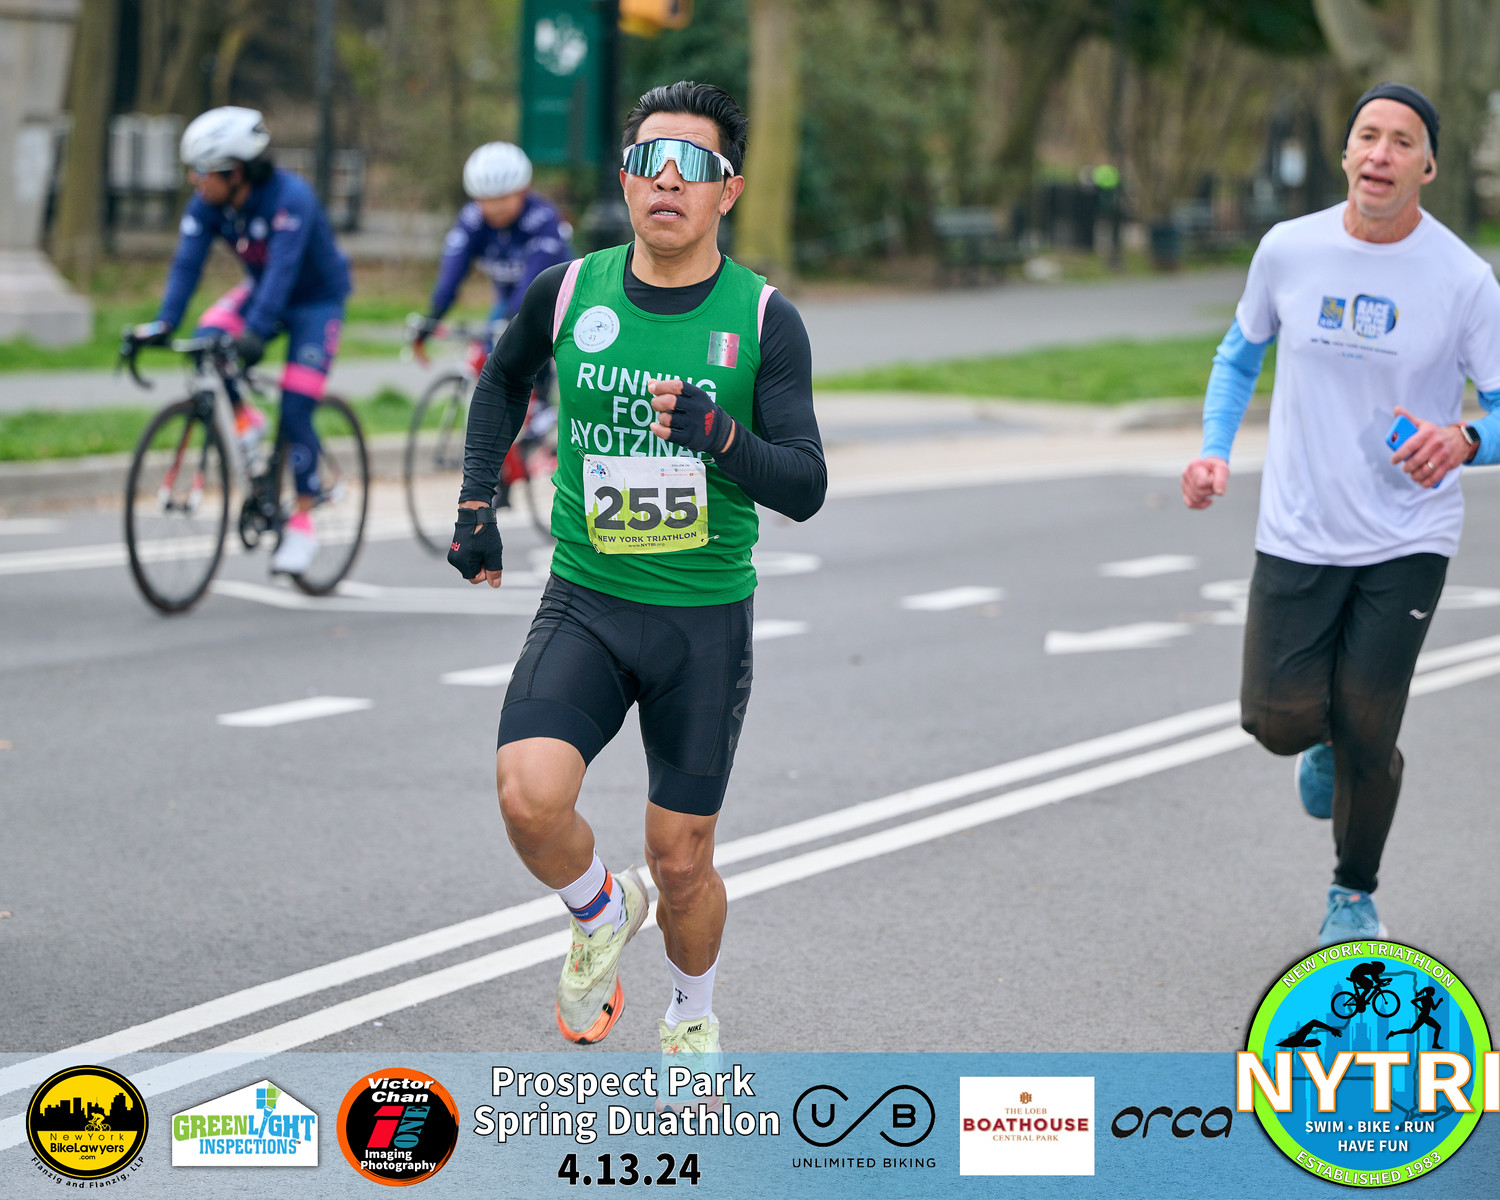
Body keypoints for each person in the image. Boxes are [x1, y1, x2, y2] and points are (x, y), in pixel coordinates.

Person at [447, 81, 825, 1059]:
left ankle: (691, 1014)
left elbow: (806, 485)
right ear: (624, 180)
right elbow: (502, 379)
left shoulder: (764, 319)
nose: (668, 179)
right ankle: (600, 908)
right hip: (587, 598)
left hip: (702, 620)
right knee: (528, 796)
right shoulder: (570, 291)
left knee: (682, 861)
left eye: (694, 164)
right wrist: (476, 504)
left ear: (727, 191)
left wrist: (720, 434)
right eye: (650, 161)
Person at [1182, 83, 1500, 947]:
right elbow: (1238, 355)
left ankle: (1353, 892)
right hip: (1299, 527)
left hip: (1409, 534)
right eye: (1368, 136)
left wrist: (1466, 439)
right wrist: (1215, 449)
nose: (1381, 153)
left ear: (1427, 166)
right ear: (1348, 152)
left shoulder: (1463, 280)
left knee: (1370, 724)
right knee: (1274, 720)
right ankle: (1318, 741)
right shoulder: (1290, 250)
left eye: (1403, 141)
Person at [127, 106, 351, 575]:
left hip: (315, 302)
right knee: (206, 342)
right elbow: (186, 264)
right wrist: (165, 323)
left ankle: (302, 522)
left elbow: (284, 272)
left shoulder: (291, 198)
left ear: (235, 172)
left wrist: (256, 333)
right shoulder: (208, 204)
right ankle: (247, 421)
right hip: (262, 290)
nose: (193, 180)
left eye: (202, 171)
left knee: (296, 407)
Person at [412, 142, 572, 508]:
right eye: (485, 200)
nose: (494, 208)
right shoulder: (472, 220)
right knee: (493, 359)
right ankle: (505, 469)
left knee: (526, 340)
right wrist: (432, 318)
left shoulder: (542, 219)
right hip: (507, 297)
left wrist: (512, 326)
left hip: (553, 296)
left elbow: (534, 288)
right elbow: (452, 272)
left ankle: (542, 407)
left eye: (502, 199)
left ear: (522, 191)